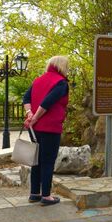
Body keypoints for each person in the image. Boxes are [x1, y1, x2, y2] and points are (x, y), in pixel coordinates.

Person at [22, 56, 70, 206]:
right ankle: (46, 196)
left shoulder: (38, 80)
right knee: (48, 161)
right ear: (62, 66)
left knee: (36, 160)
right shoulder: (61, 83)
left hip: (34, 129)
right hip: (50, 127)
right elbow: (48, 102)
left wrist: (29, 114)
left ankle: (34, 193)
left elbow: (26, 98)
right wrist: (35, 117)